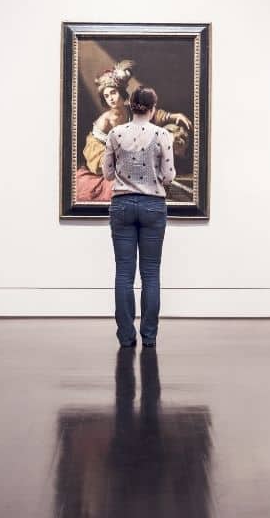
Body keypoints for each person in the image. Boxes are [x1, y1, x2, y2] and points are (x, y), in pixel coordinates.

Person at [102, 87, 176, 347]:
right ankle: (149, 336)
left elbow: (108, 174)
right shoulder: (162, 134)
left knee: (124, 273)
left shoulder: (115, 133)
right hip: (153, 206)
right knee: (151, 273)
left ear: (131, 106)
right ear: (153, 108)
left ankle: (125, 337)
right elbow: (168, 176)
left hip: (121, 205)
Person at [75, 61, 191, 201]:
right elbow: (98, 157)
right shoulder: (104, 122)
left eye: (113, 93)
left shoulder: (131, 109)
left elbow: (152, 116)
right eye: (106, 96)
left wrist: (174, 116)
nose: (111, 98)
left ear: (121, 92)